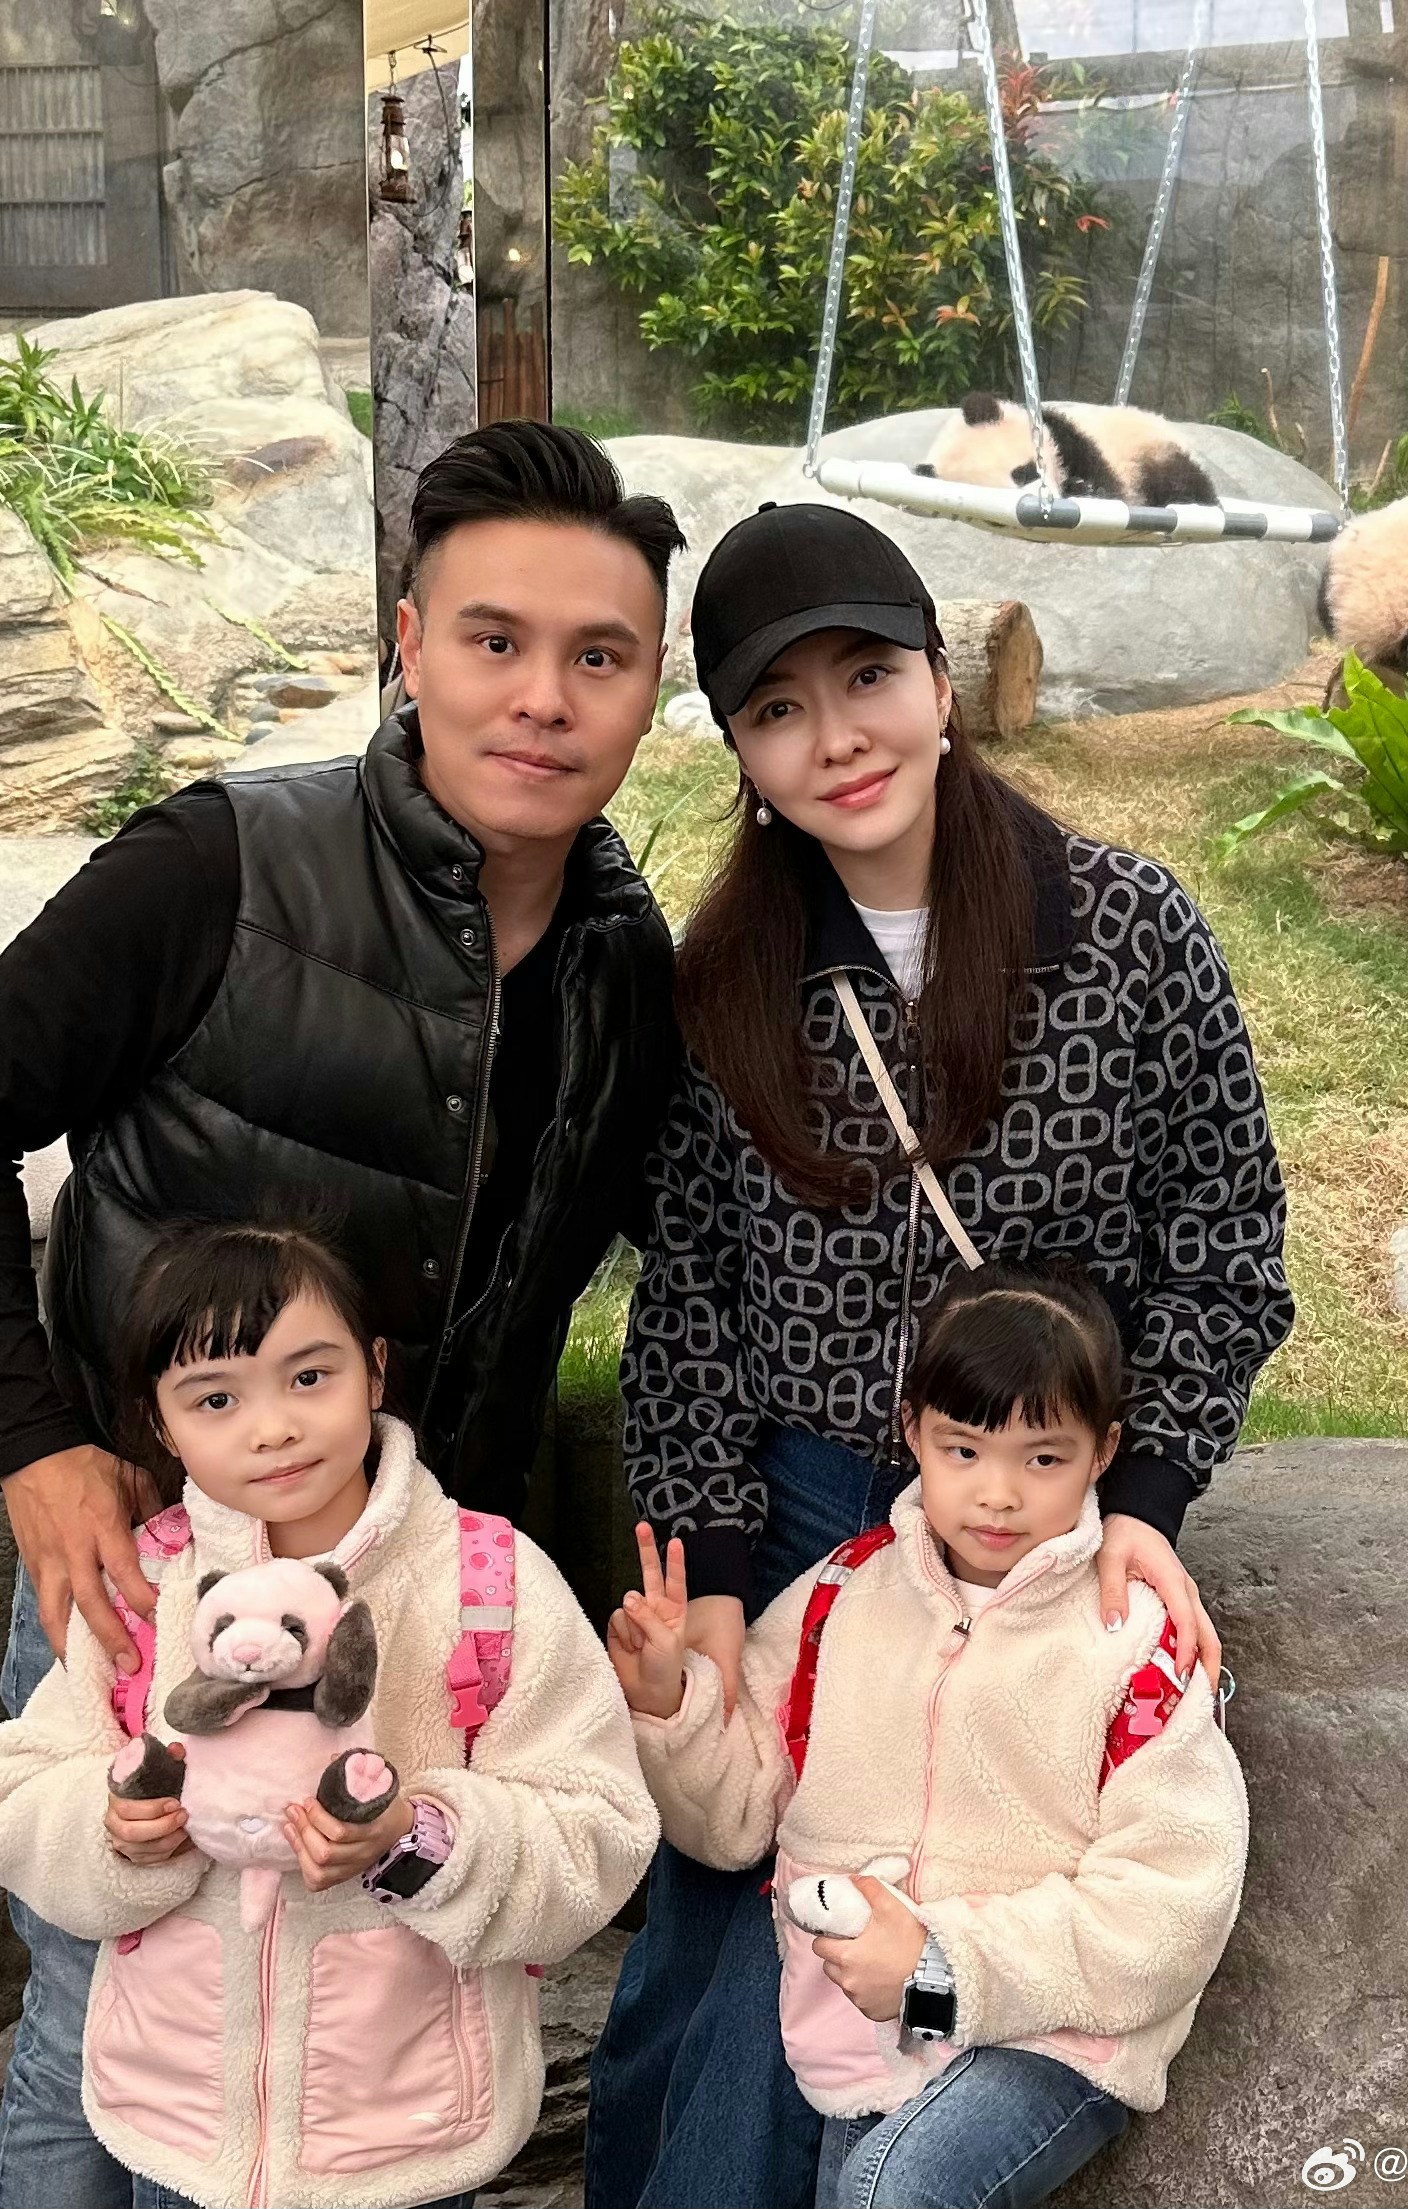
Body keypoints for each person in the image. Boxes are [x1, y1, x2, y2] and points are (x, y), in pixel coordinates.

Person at [0, 422, 683, 2206]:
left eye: (599, 656)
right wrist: (35, 1444)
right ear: (408, 643)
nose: (541, 698)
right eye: (494, 639)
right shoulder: (221, 865)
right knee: (95, 2029)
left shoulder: (624, 967)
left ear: (650, 689)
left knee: (373, 2063)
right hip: (148, 1570)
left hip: (425, 1601)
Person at [586, 502, 1291, 2209]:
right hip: (805, 1504)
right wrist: (712, 1574)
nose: (836, 737)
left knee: (936, 1891)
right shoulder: (727, 980)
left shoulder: (1122, 926)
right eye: (777, 708)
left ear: (939, 679)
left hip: (1035, 1494)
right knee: (714, 1941)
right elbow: (689, 1301)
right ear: (740, 753)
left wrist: (1146, 1494)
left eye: (867, 676)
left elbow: (1225, 1231)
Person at [0, 1220, 660, 2209]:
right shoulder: (147, 1586)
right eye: (215, 1398)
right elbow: (23, 1788)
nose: (272, 1427)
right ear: (160, 1423)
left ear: (376, 1368)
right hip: (183, 2132)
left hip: (404, 2136)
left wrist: (420, 1841)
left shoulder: (486, 1581)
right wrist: (113, 1830)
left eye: (309, 1376)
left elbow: (600, 1825)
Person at [609, 1261, 1247, 2209]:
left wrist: (941, 1962)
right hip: (855, 2019)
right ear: (911, 1431)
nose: (998, 1494)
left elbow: (1173, 1902)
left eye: (1042, 1458)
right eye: (963, 1449)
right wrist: (671, 1706)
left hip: (1050, 2029)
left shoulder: (1136, 1642)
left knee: (890, 2186)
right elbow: (736, 1820)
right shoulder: (839, 1595)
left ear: (1104, 1450)